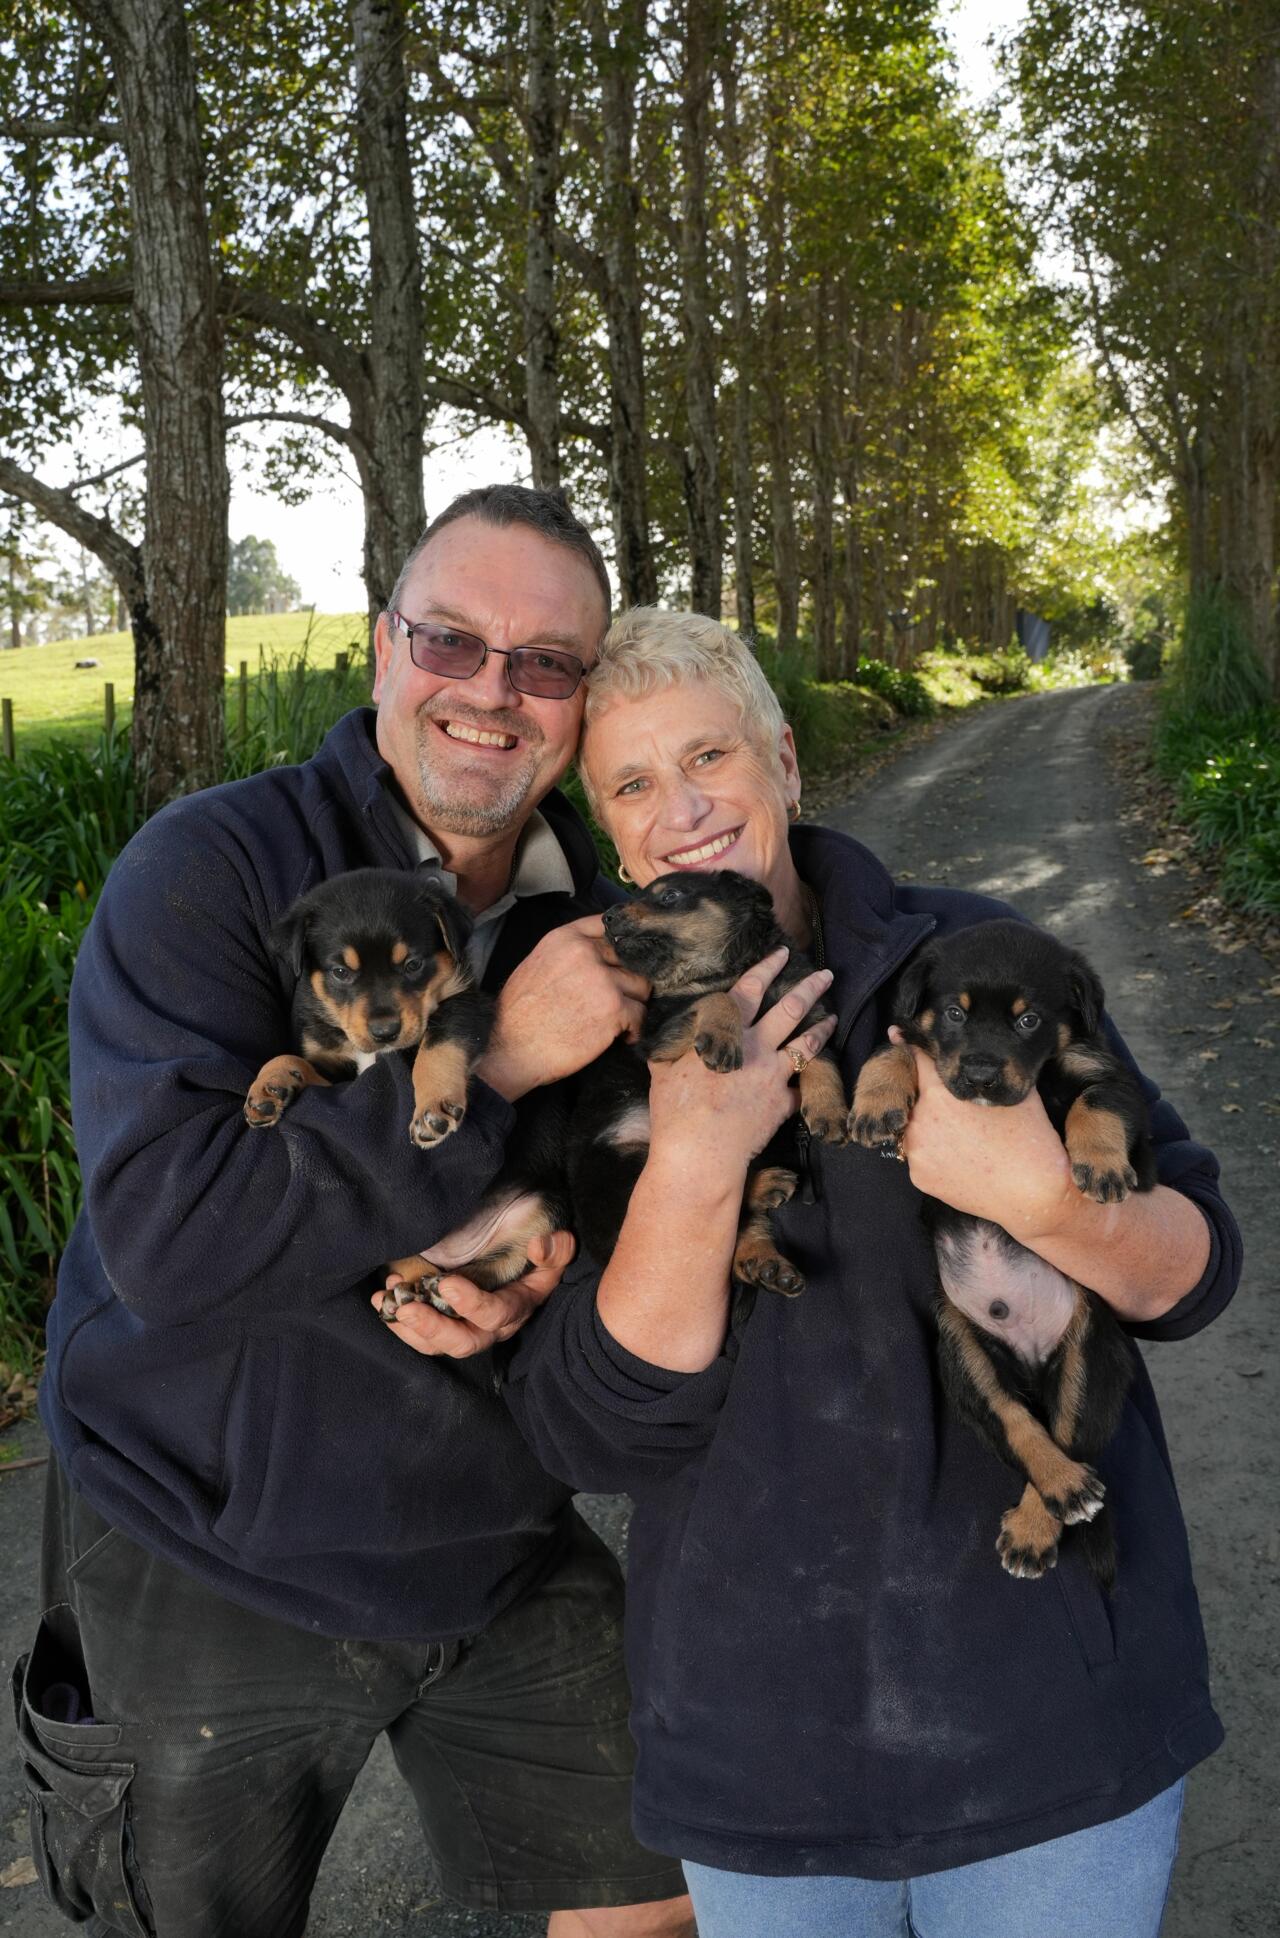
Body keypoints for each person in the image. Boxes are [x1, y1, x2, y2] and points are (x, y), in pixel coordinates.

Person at [466, 605, 1240, 1937]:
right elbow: (589, 1428)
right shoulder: (582, 1051)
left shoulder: (972, 965)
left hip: (1050, 1739)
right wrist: (696, 1171)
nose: (683, 810)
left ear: (784, 761)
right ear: (603, 830)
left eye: (710, 757)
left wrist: (1045, 1196)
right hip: (760, 1760)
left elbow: (1196, 1268)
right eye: (635, 785)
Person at [22, 492, 696, 1937]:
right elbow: (171, 1244)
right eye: (452, 638)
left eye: (548, 662)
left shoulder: (609, 904)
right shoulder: (208, 874)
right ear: (385, 648)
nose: (492, 690)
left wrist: (547, 1283)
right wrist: (497, 1051)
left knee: (657, 1894)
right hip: (200, 1542)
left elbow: (640, 1199)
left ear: (586, 698)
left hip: (492, 1533)